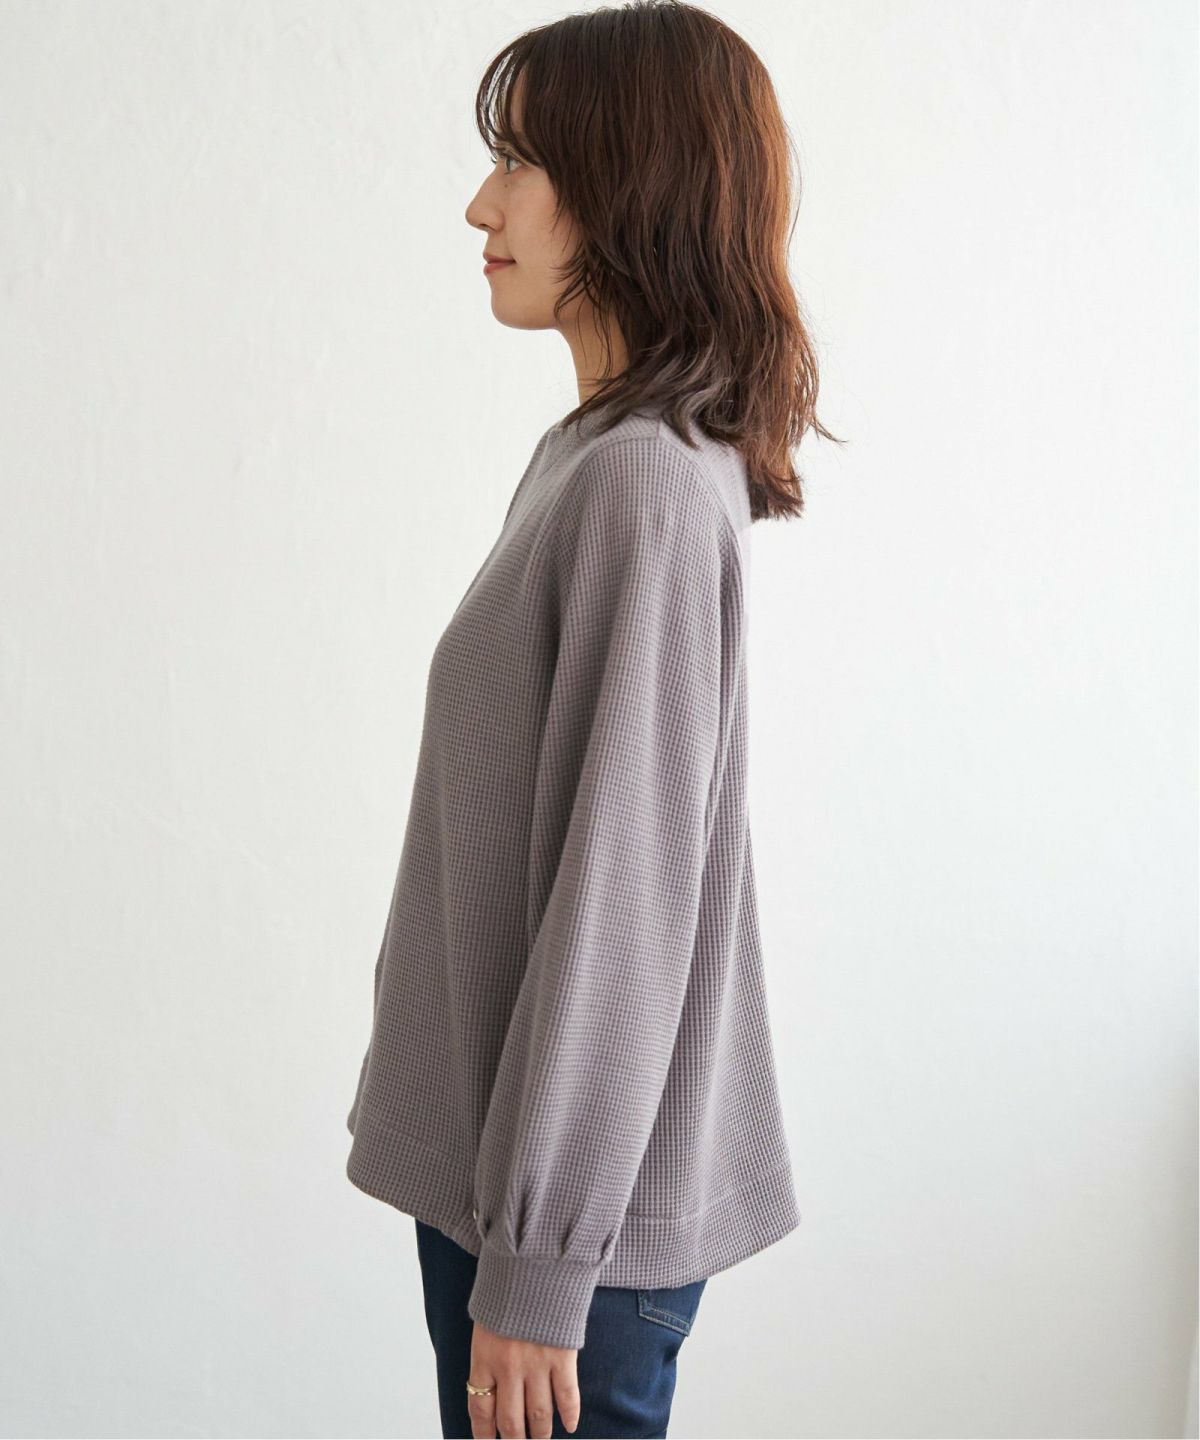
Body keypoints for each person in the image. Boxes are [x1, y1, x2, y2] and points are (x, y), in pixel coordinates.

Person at [345, 3, 840, 1435]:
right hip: (521, 1202)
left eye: (521, 162)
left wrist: (541, 1263)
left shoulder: (641, 484)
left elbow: (624, 903)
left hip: (567, 1237)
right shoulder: (594, 456)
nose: (481, 205)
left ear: (630, 186)